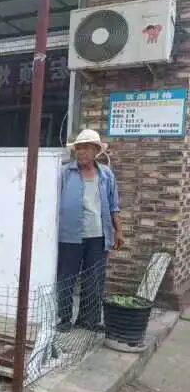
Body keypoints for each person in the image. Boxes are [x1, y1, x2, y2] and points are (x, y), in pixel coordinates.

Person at [56, 129, 123, 333]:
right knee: (67, 277)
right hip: (70, 235)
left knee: (94, 278)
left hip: (98, 236)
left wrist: (118, 231)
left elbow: (114, 205)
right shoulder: (64, 173)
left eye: (86, 148)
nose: (81, 152)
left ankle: (89, 320)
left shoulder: (106, 174)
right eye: (78, 148)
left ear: (95, 150)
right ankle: (64, 318)